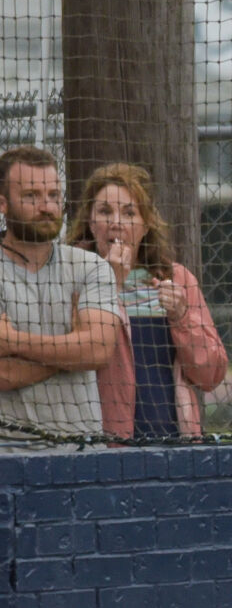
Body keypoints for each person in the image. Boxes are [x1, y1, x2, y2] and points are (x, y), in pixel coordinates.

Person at [68, 163, 227, 441]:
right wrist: (109, 284)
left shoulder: (177, 278)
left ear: (146, 224)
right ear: (91, 223)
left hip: (172, 438)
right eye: (105, 211)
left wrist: (182, 317)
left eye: (129, 212)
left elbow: (210, 374)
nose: (116, 222)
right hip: (102, 442)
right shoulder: (72, 277)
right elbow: (74, 354)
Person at [0, 146, 122, 446]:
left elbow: (99, 351)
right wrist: (73, 349)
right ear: (2, 204)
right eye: (31, 196)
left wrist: (14, 341)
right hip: (9, 455)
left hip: (83, 454)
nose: (47, 206)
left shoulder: (90, 267)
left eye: (54, 195)